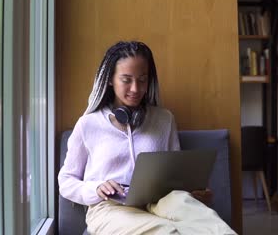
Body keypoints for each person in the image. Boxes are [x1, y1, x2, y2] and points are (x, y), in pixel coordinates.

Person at [58, 41, 236, 234]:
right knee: (168, 232)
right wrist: (96, 187)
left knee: (211, 225)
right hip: (109, 207)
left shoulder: (164, 119)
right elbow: (66, 181)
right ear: (110, 79)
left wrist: (193, 191)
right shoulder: (88, 124)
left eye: (142, 80)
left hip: (162, 200)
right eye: (126, 80)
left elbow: (176, 171)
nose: (136, 89)